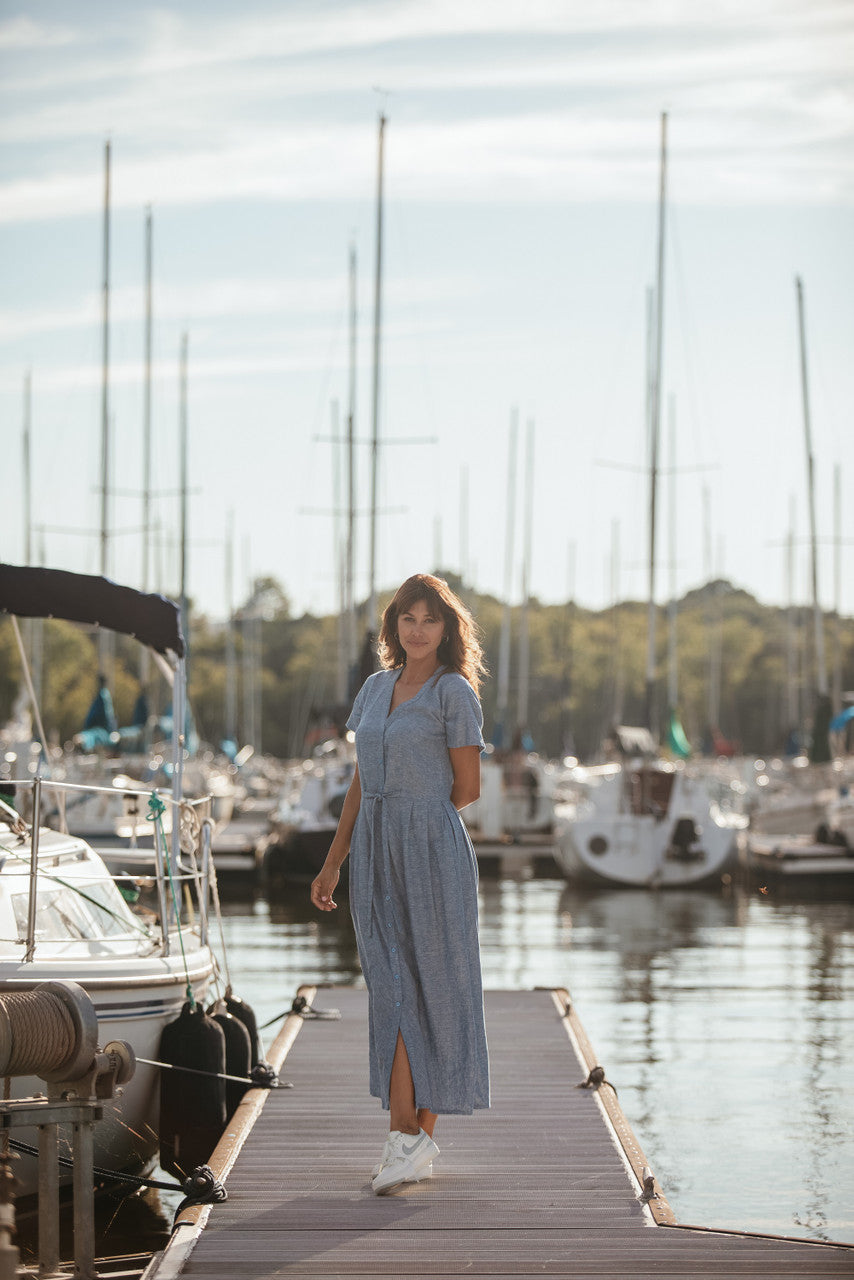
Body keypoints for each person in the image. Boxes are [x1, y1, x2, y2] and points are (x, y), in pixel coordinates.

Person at [310, 573, 490, 1194]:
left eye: (430, 620)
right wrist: (335, 860)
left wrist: (417, 811)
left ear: (446, 629)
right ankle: (408, 1142)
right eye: (408, 619)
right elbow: (363, 778)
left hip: (432, 849)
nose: (418, 629)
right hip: (374, 853)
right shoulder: (375, 688)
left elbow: (467, 790)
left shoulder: (453, 693)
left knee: (434, 988)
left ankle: (409, 1138)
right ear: (394, 626)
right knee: (391, 990)